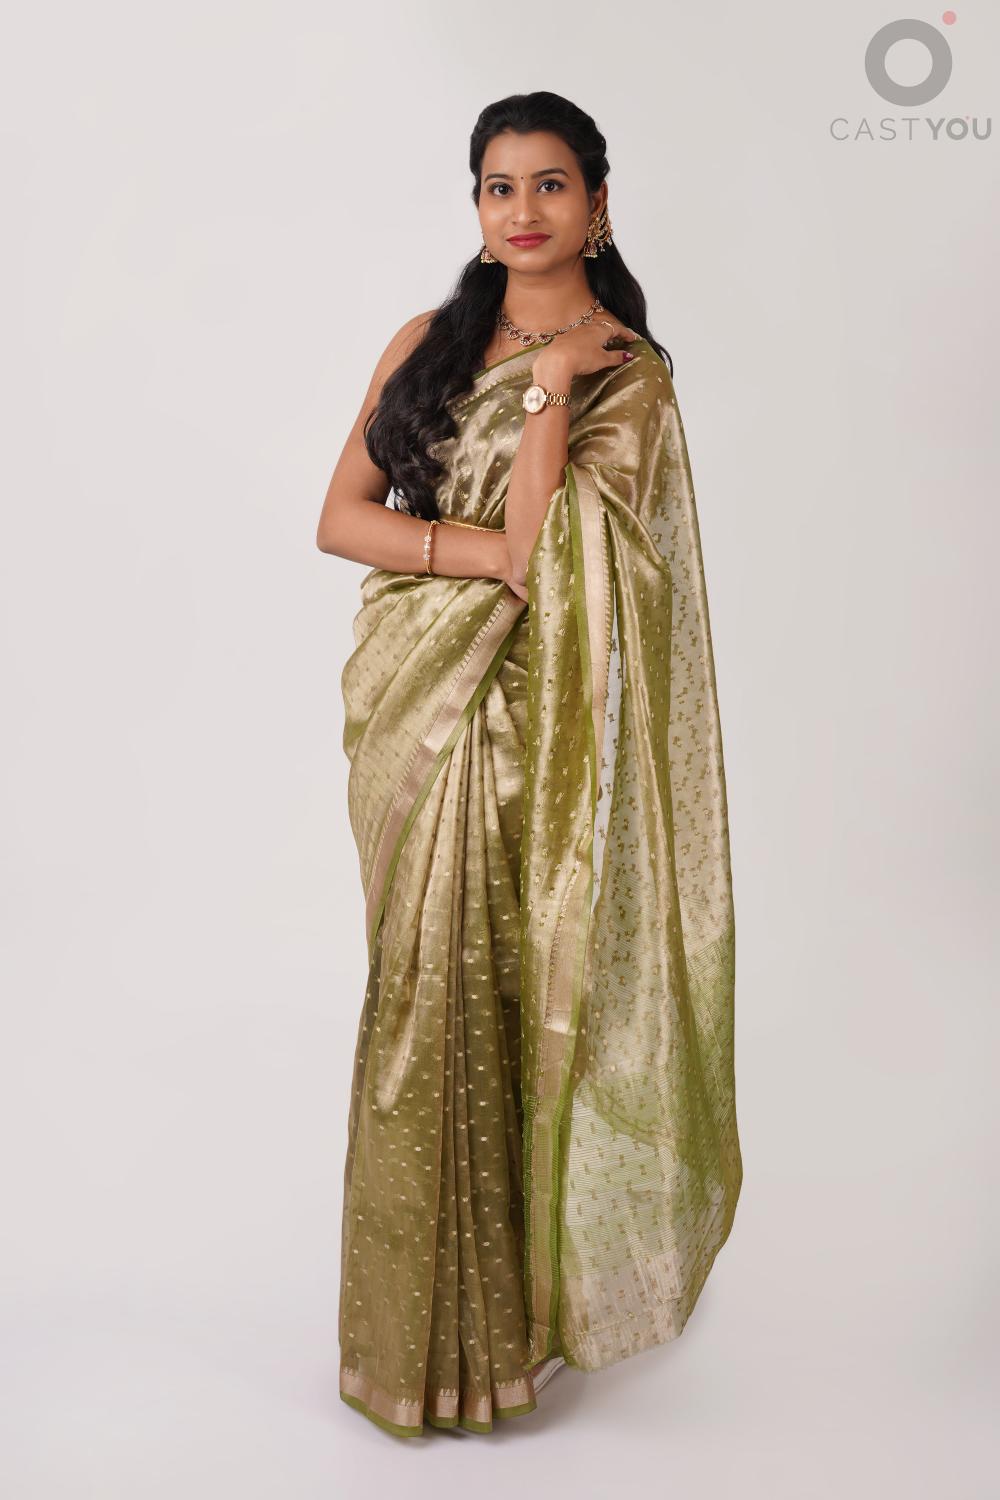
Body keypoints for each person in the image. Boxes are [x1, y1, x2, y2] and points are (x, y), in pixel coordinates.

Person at [316, 90, 741, 1440]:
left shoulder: (629, 377)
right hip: (416, 715)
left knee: (505, 1000)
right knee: (419, 1002)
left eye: (549, 184)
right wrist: (467, 554)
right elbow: (341, 519)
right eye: (498, 187)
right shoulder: (426, 343)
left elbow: (559, 561)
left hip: (535, 731)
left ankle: (506, 1330)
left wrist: (552, 390)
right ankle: (416, 1339)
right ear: (478, 207)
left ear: (597, 203)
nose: (523, 211)